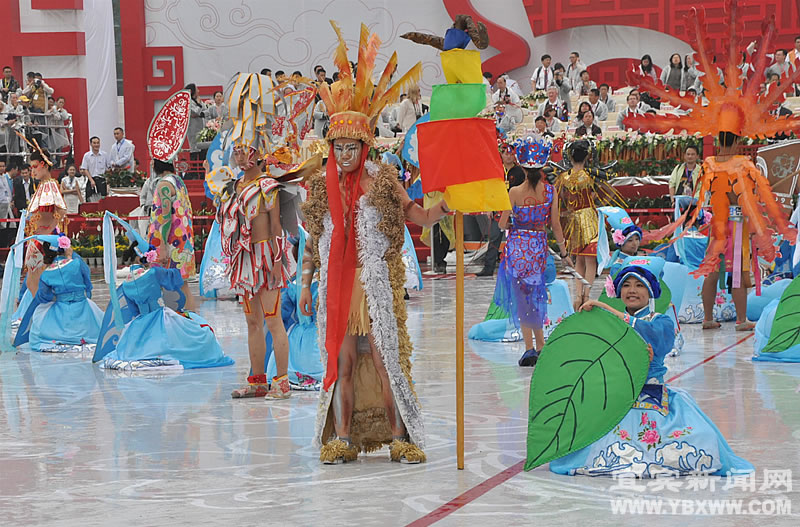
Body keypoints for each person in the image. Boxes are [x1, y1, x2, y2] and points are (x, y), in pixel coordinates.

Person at [303, 22, 449, 464]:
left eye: (352, 147)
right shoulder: (320, 187)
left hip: (376, 290)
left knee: (387, 363)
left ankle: (400, 436)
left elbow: (419, 216)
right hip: (337, 292)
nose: (344, 155)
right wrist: (305, 282)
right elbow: (313, 244)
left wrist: (447, 205)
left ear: (364, 146)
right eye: (338, 147)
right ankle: (343, 438)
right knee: (343, 366)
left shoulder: (383, 181)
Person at [548, 256, 753, 477]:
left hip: (652, 394)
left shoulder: (661, 322)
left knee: (695, 440)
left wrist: (604, 307)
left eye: (639, 285)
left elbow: (654, 336)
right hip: (618, 396)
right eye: (626, 285)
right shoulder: (612, 324)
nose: (631, 290)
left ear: (650, 292)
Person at [205, 72, 313, 399]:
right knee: (252, 323)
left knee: (273, 320)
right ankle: (257, 380)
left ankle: (281, 380)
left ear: (257, 151)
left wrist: (279, 263)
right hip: (245, 260)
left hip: (267, 258)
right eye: (236, 149)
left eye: (244, 149)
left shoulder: (267, 185)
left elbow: (279, 228)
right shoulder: (236, 185)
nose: (239, 154)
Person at [96, 220, 234, 370]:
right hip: (159, 317)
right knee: (197, 332)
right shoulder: (155, 273)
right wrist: (166, 263)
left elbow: (132, 309)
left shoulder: (127, 281)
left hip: (138, 323)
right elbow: (176, 280)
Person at [494, 137, 570, 366]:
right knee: (536, 297)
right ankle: (541, 345)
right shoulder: (550, 192)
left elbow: (502, 224)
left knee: (522, 298)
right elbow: (555, 224)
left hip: (518, 248)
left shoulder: (515, 192)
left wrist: (508, 222)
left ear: (523, 168)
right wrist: (564, 253)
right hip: (538, 247)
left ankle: (529, 348)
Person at [555, 139, 625, 309]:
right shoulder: (590, 175)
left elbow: (561, 197)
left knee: (578, 259)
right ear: (587, 157)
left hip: (573, 220)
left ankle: (578, 295)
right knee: (590, 261)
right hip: (590, 217)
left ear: (570, 158)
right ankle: (587, 294)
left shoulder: (564, 177)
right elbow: (609, 191)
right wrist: (600, 204)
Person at [13, 234, 103, 352]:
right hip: (82, 306)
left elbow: (45, 297)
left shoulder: (46, 272)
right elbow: (87, 282)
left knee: (39, 321)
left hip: (61, 308)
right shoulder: (77, 263)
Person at [78, 136, 106, 201]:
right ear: (91, 144)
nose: (96, 145)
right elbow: (85, 169)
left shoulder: (104, 155)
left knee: (103, 200)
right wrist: (91, 180)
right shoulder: (87, 155)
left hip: (102, 180)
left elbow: (107, 168)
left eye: (98, 143)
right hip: (91, 180)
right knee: (90, 200)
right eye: (94, 143)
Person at [0, 159, 13, 247]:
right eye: (0, 166)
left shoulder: (5, 177)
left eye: (3, 166)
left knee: (9, 227)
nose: (2, 168)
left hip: (7, 205)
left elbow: (7, 190)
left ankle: (5, 246)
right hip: (1, 205)